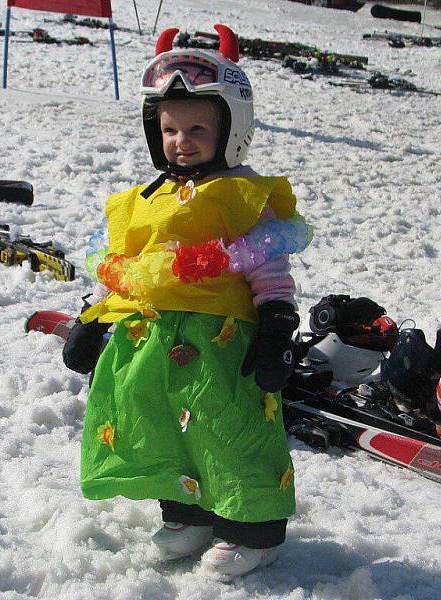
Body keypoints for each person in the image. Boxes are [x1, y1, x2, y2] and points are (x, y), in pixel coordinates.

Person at [62, 24, 312, 581]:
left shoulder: (241, 194)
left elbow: (268, 267)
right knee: (155, 424)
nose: (182, 140)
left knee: (229, 429)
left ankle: (253, 531)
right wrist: (89, 317)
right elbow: (125, 269)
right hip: (148, 338)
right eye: (171, 128)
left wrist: (276, 325)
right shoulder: (144, 200)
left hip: (220, 345)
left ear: (232, 128)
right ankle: (186, 512)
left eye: (198, 127)